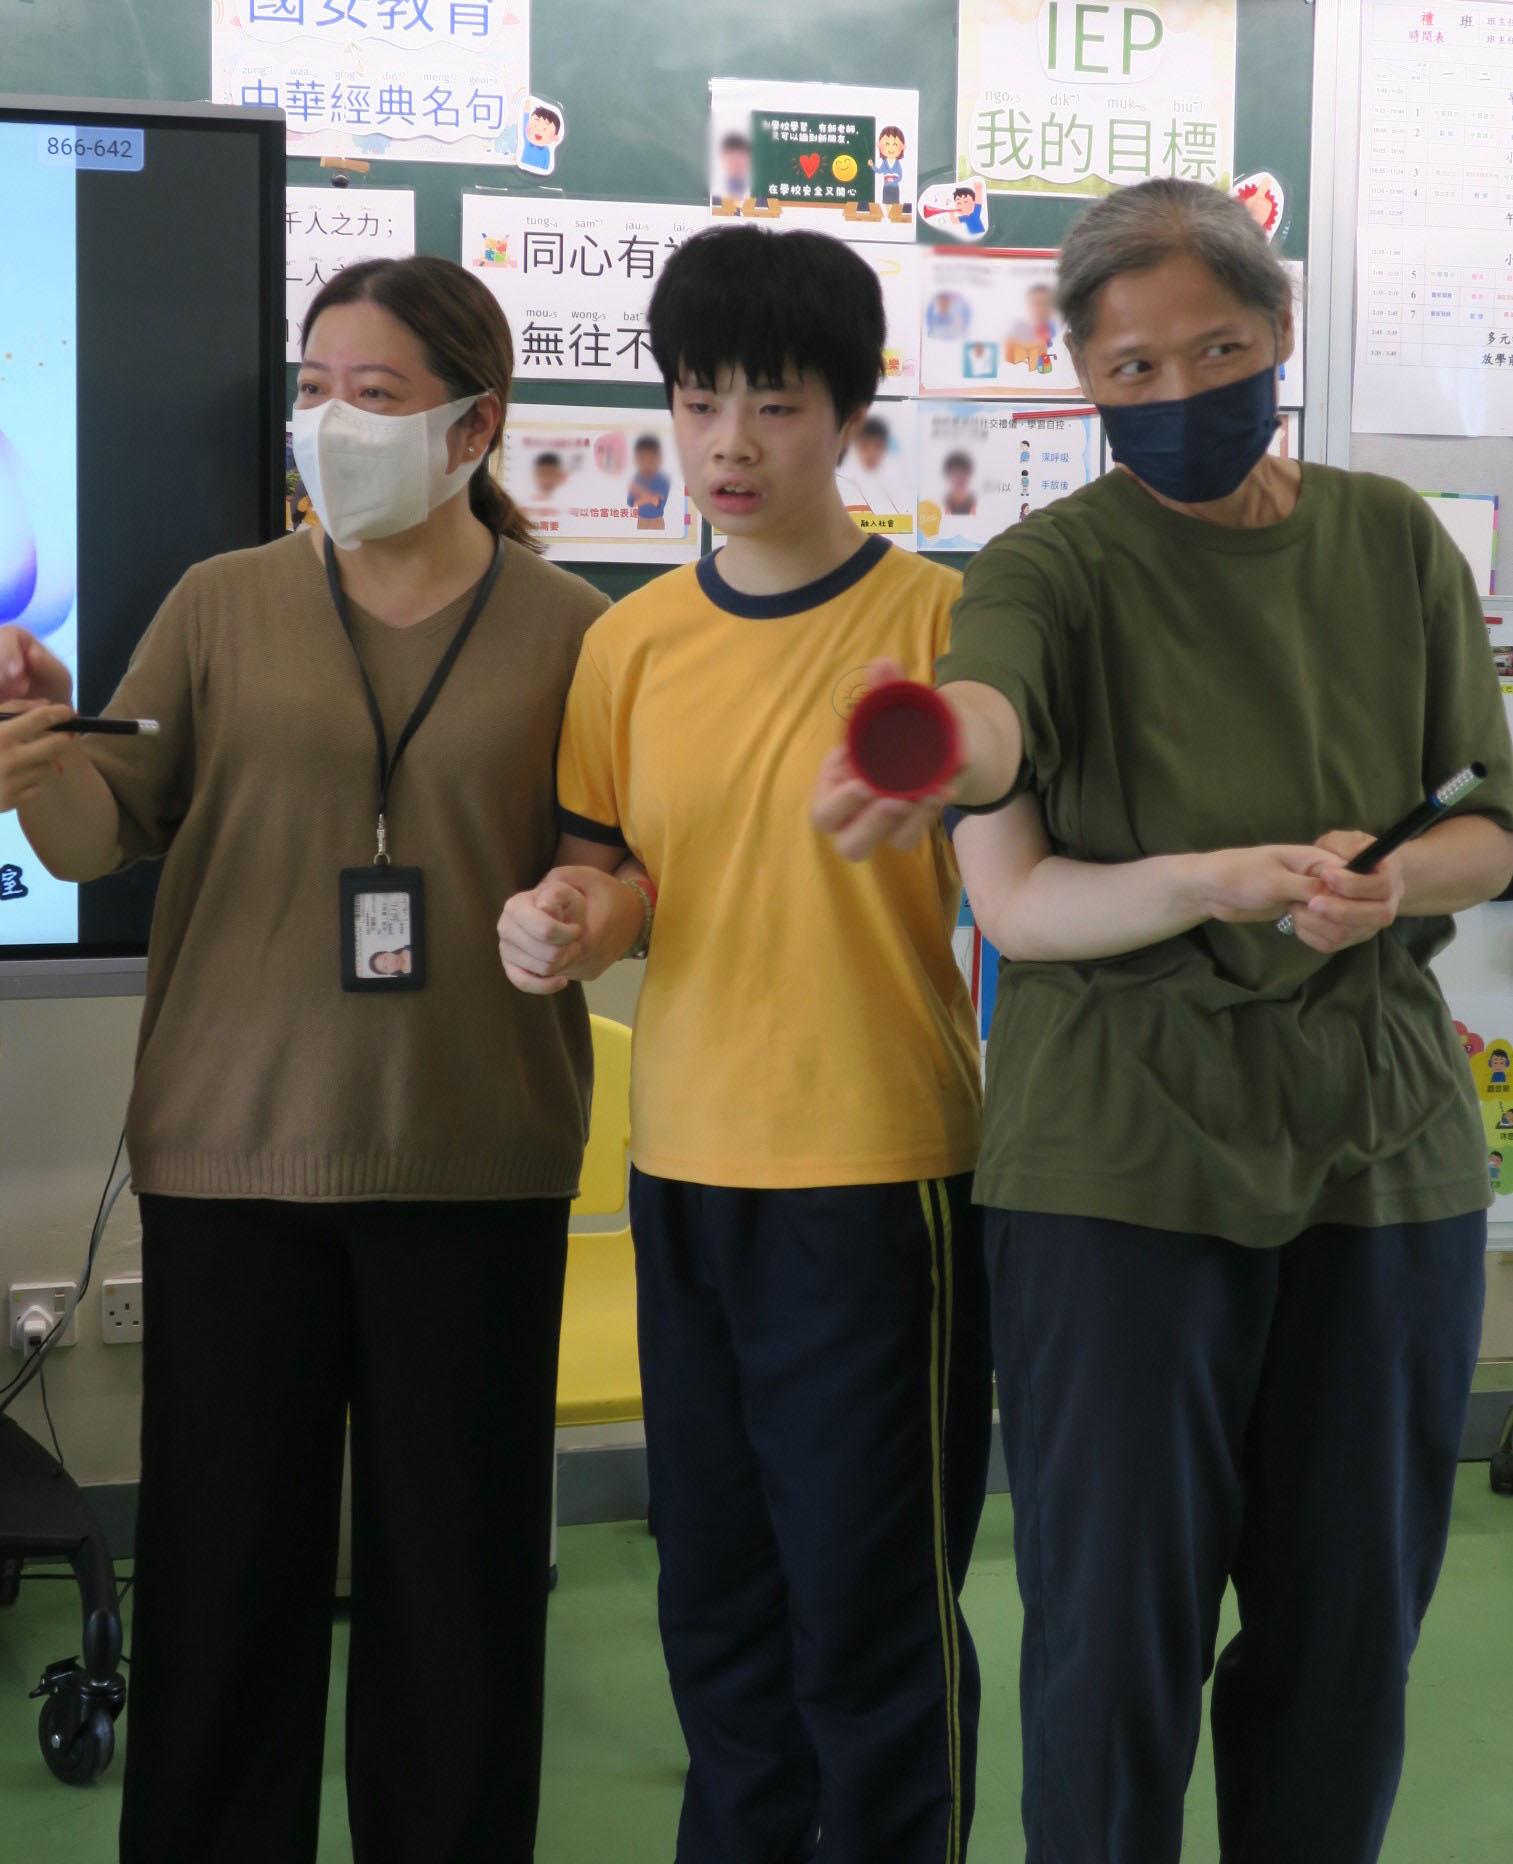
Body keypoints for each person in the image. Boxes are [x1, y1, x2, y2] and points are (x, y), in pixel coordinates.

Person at [813, 178, 1513, 1864]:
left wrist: (1391, 886)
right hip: (1117, 1161)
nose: (1177, 390)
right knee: (1112, 1641)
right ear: (1079, 375)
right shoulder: (1049, 567)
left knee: (1346, 1632)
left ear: (1278, 333)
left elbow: (1488, 822)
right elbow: (993, 720)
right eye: (1130, 367)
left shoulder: (1392, 542)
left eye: (1213, 350)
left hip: (1379, 1154)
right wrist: (938, 751)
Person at [0, 255, 608, 1863]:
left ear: (474, 424)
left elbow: (610, 865)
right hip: (234, 1154)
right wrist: (37, 759)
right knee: (224, 1587)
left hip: (474, 1156)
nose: (333, 423)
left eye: (377, 394)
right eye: (315, 387)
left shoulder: (572, 629)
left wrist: (579, 911)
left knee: (459, 1593)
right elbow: (103, 832)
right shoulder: (221, 602)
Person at [497, 225, 991, 1864]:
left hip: (877, 1171)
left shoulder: (944, 624)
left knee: (869, 1609)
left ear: (848, 414)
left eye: (772, 403)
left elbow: (1008, 860)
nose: (727, 441)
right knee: (713, 1597)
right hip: (686, 1170)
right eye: (697, 398)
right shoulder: (627, 643)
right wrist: (565, 921)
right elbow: (615, 874)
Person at [626, 434, 671, 529]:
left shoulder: (663, 480)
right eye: (643, 458)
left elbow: (657, 503)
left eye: (651, 458)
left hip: (656, 523)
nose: (647, 463)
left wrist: (639, 492)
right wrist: (648, 497)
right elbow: (630, 502)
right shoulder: (637, 478)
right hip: (641, 522)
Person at [519, 103, 563, 175]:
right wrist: (526, 109)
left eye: (545, 129)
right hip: (522, 171)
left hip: (538, 176)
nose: (538, 130)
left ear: (555, 137)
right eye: (535, 125)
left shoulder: (547, 152)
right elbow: (524, 121)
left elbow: (545, 169)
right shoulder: (526, 141)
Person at [871, 124, 907, 208]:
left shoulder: (897, 163)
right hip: (886, 188)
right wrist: (872, 165)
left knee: (895, 205)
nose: (891, 148)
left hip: (895, 187)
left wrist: (894, 181)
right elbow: (879, 171)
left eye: (895, 144)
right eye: (887, 144)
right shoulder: (884, 163)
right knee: (887, 204)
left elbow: (900, 176)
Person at [942, 451, 977, 517]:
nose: (959, 479)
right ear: (948, 476)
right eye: (956, 475)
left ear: (969, 476)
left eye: (963, 474)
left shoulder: (977, 504)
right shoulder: (941, 506)